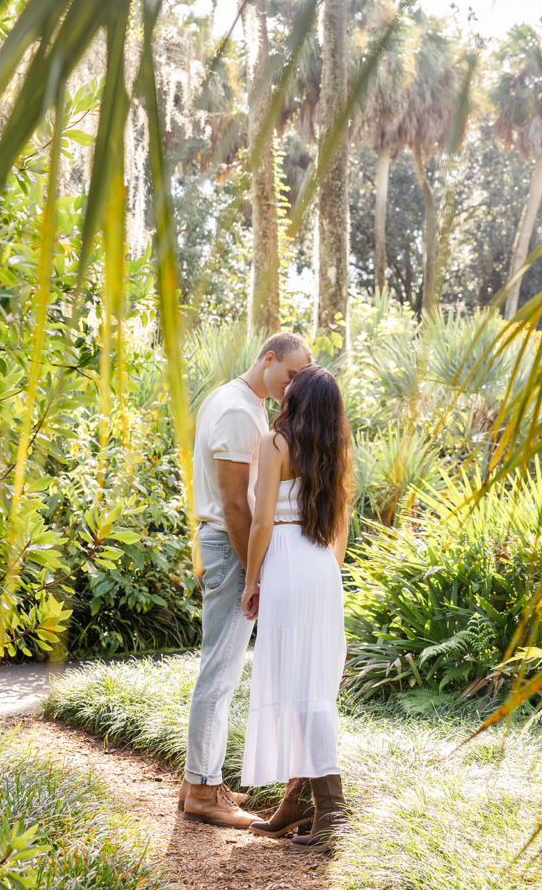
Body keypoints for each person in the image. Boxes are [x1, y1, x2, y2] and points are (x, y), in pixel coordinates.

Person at [181, 332, 313, 828]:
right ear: (268, 358)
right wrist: (253, 573)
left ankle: (199, 780)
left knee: (221, 667)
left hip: (223, 544)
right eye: (291, 375)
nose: (294, 386)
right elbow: (236, 504)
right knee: (221, 670)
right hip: (229, 545)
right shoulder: (239, 412)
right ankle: (202, 791)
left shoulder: (240, 402)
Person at [240, 364, 354, 849]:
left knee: (299, 686)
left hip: (286, 560)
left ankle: (333, 812)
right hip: (322, 567)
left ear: (296, 399)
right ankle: (299, 801)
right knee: (312, 683)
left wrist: (252, 580)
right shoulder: (337, 451)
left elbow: (263, 521)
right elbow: (340, 529)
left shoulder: (275, 443)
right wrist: (323, 573)